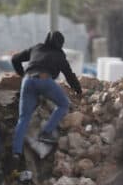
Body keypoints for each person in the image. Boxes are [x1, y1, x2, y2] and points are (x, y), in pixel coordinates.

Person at [11, 31, 82, 161]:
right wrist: (78, 91)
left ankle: (16, 152)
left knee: (23, 118)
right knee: (63, 104)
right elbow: (69, 75)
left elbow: (15, 59)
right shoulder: (59, 55)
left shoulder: (37, 47)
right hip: (44, 80)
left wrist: (23, 75)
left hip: (27, 81)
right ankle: (46, 132)